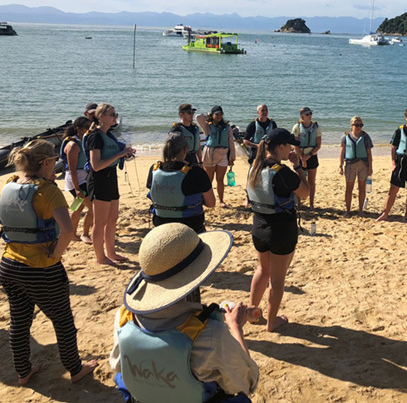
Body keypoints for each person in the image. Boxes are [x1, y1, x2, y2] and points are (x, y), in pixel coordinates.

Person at [109, 223, 259, 402]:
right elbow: (248, 382)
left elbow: (118, 365)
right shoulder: (210, 334)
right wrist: (235, 328)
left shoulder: (125, 318)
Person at [0, 139, 97, 385]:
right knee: (62, 321)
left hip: (9, 265)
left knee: (19, 322)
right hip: (41, 269)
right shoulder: (48, 190)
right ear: (46, 162)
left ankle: (23, 372)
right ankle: (75, 369)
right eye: (54, 162)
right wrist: (56, 256)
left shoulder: (10, 185)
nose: (57, 168)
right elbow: (67, 230)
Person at [247, 128, 309, 332]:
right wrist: (298, 167)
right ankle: (272, 323)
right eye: (289, 145)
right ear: (281, 147)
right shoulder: (282, 173)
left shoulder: (254, 168)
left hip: (259, 226)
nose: (292, 148)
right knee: (277, 278)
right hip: (280, 229)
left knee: (262, 270)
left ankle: (252, 313)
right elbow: (306, 193)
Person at [84, 103, 135, 264]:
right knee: (100, 222)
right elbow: (96, 165)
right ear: (101, 117)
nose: (115, 117)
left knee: (113, 218)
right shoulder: (95, 136)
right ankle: (101, 257)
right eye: (112, 114)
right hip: (99, 180)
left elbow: (111, 156)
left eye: (115, 114)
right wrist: (120, 154)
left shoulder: (109, 134)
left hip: (110, 178)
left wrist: (124, 154)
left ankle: (111, 253)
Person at [146, 132, 215, 233]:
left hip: (161, 224)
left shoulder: (154, 169)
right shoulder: (196, 172)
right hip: (190, 226)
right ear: (184, 150)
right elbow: (211, 203)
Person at [61, 117, 93, 244]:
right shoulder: (73, 144)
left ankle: (71, 233)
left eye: (91, 127)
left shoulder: (84, 140)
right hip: (77, 180)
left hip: (84, 177)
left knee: (77, 208)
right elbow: (72, 169)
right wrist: (77, 188)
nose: (89, 130)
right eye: (87, 127)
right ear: (78, 129)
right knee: (93, 208)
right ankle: (85, 234)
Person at [196, 105, 236, 208]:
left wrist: (232, 157)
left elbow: (231, 141)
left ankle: (221, 201)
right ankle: (207, 200)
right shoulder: (208, 126)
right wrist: (208, 116)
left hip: (223, 153)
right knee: (209, 179)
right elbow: (198, 117)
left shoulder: (227, 127)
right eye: (217, 114)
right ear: (212, 115)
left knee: (220, 179)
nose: (219, 116)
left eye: (221, 114)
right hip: (210, 153)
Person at [339, 116, 373, 216]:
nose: (359, 127)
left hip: (363, 164)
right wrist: (340, 166)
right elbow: (342, 152)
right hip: (350, 165)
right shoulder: (345, 137)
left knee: (362, 188)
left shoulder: (366, 137)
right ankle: (348, 210)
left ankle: (360, 211)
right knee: (349, 188)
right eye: (356, 125)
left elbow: (369, 154)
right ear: (352, 125)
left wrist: (370, 168)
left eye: (360, 125)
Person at [291, 107, 321, 209]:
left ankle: (311, 204)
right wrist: (302, 158)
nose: (310, 115)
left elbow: (318, 145)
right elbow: (295, 144)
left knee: (311, 180)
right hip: (300, 156)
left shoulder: (316, 127)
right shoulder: (297, 127)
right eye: (307, 114)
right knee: (299, 180)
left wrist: (308, 156)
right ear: (302, 116)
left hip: (311, 156)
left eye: (310, 113)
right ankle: (299, 203)